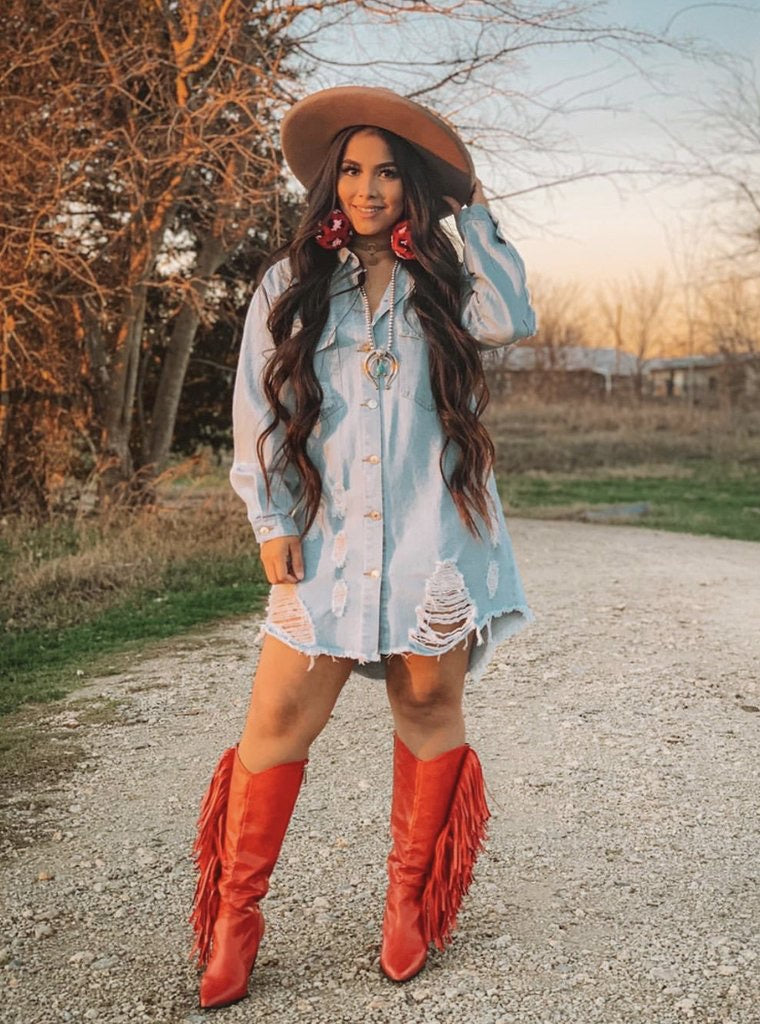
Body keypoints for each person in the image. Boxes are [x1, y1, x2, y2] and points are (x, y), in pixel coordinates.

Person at [187, 85, 537, 1010]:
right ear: (330, 181)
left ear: (412, 186)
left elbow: (514, 320)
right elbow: (258, 417)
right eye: (352, 169)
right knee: (277, 724)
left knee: (427, 707)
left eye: (388, 171)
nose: (368, 189)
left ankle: (409, 905)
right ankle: (233, 920)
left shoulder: (448, 284)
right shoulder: (288, 284)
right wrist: (271, 524)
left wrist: (474, 211)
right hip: (326, 540)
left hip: (434, 539)